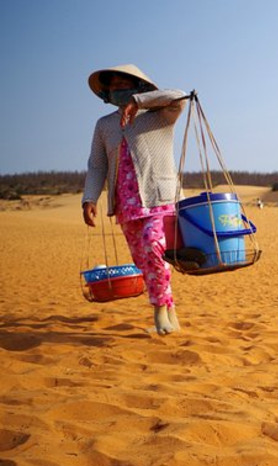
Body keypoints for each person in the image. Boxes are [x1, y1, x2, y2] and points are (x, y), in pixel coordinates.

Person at [82, 64, 187, 335]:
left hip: (160, 198)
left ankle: (159, 312)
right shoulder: (104, 125)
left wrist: (137, 103)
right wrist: (89, 198)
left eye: (124, 86)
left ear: (139, 88)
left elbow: (180, 95)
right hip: (126, 206)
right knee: (146, 264)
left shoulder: (161, 115)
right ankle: (170, 309)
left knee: (154, 247)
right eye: (113, 88)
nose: (118, 91)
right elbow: (97, 165)